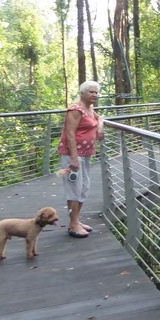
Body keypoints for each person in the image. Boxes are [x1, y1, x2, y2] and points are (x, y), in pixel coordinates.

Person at [57, 80, 103, 238]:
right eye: (91, 92)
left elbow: (99, 118)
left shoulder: (89, 109)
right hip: (73, 155)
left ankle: (76, 220)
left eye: (96, 92)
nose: (94, 95)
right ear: (82, 93)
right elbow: (69, 133)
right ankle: (73, 225)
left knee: (83, 187)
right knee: (74, 189)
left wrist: (100, 127)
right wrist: (73, 159)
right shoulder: (76, 109)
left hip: (86, 154)